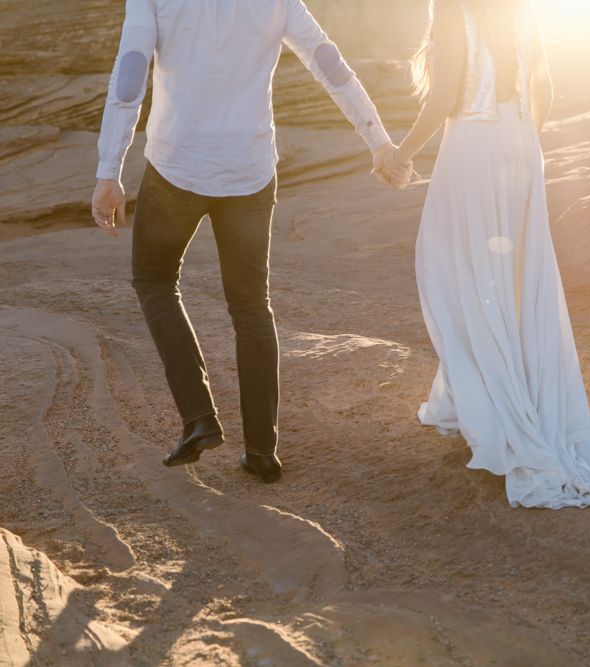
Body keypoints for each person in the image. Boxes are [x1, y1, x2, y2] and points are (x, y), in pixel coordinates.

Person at [91, 0, 409, 481]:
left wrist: (108, 170)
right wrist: (379, 141)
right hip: (250, 168)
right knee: (251, 306)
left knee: (154, 280)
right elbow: (328, 62)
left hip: (179, 165)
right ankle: (262, 451)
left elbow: (130, 74)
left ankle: (199, 418)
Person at [374, 0, 590, 509]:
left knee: (459, 272)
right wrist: (518, 142)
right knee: (518, 280)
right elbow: (544, 88)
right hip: (520, 147)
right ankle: (478, 395)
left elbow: (443, 99)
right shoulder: (521, 10)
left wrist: (400, 154)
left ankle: (495, 408)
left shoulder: (454, 10)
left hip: (473, 148)